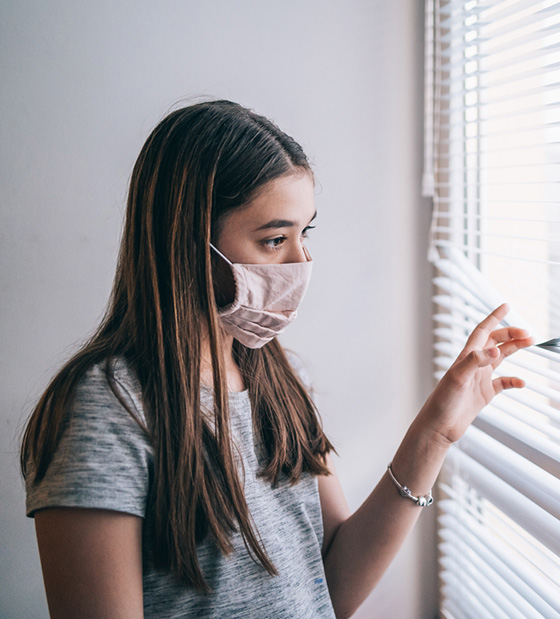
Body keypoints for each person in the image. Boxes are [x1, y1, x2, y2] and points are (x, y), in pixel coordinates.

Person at [19, 100, 533, 618]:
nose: (301, 261)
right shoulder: (105, 410)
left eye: (304, 233)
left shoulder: (278, 378)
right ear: (186, 243)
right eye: (273, 239)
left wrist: (434, 434)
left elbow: (329, 589)